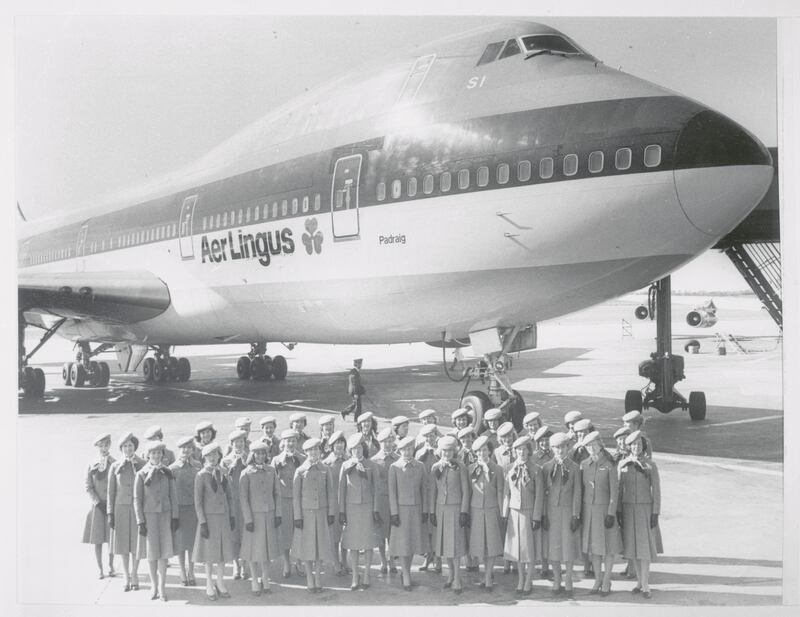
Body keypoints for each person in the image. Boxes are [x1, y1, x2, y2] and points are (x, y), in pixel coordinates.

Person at [618, 430, 662, 599]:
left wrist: (655, 512)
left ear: (643, 446)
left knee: (644, 549)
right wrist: (619, 511)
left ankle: (645, 585)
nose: (636, 447)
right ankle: (638, 582)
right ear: (629, 447)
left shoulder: (650, 465)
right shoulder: (623, 464)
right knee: (633, 548)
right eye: (633, 445)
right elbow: (619, 489)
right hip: (628, 509)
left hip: (644, 509)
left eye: (639, 444)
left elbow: (656, 491)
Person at [579, 431, 623, 596]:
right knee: (594, 549)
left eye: (594, 445)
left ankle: (606, 580)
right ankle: (598, 579)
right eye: (588, 446)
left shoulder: (609, 465)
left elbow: (614, 492)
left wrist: (611, 513)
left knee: (609, 548)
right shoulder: (584, 464)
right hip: (589, 512)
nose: (591, 448)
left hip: (605, 513)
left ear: (600, 445)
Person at [134, 441, 179, 601]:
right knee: (152, 554)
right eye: (153, 453)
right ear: (147, 455)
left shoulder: (167, 472)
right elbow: (137, 499)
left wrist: (175, 517)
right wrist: (140, 521)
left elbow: (173, 496)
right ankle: (154, 585)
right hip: (149, 518)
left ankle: (162, 586)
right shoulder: (141, 474)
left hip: (165, 516)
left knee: (164, 553)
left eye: (159, 453)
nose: (156, 455)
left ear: (163, 455)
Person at [502, 434, 544, 595]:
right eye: (518, 449)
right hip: (514, 512)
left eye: (524, 449)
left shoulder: (536, 470)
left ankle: (528, 580)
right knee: (517, 550)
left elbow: (540, 495)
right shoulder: (509, 468)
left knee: (529, 549)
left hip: (529, 512)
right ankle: (520, 579)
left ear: (529, 451)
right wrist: (504, 513)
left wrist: (536, 516)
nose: (521, 452)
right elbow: (506, 493)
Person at [293, 437, 336, 593]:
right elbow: (296, 496)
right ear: (305, 452)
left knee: (320, 547)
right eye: (310, 450)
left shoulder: (325, 469)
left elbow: (331, 493)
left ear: (320, 451)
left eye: (316, 449)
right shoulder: (300, 471)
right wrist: (297, 516)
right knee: (307, 547)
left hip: (322, 513)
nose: (313, 453)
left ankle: (318, 577)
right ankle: (309, 578)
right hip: (306, 515)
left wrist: (331, 512)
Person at [193, 443, 235, 601]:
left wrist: (231, 516)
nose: (212, 458)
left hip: (223, 518)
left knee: (222, 553)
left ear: (219, 456)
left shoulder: (224, 472)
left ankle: (220, 582)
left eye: (215, 455)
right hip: (209, 519)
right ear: (204, 458)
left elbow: (229, 496)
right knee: (209, 554)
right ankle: (209, 584)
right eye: (209, 456)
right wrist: (202, 522)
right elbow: (198, 501)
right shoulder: (201, 475)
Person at [542, 432, 582, 598]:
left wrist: (575, 515)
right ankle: (557, 579)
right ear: (552, 449)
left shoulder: (574, 467)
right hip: (551, 511)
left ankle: (569, 579)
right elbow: (542, 493)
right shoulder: (546, 468)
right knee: (554, 547)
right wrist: (543, 514)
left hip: (567, 511)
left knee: (567, 546)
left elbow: (577, 492)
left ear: (568, 447)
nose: (560, 450)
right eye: (556, 447)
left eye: (563, 447)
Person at [239, 441, 281, 596]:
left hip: (269, 514)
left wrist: (278, 514)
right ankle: (254, 580)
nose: (261, 456)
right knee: (253, 550)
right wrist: (248, 518)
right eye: (257, 453)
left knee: (266, 549)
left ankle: (265, 578)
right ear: (252, 455)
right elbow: (243, 498)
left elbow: (277, 493)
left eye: (263, 453)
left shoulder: (271, 470)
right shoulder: (246, 473)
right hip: (254, 517)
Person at [429, 435, 470, 594]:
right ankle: (450, 575)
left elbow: (466, 491)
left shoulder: (461, 467)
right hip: (441, 510)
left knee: (456, 545)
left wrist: (464, 511)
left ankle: (458, 578)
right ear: (440, 451)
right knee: (445, 544)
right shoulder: (435, 467)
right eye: (444, 451)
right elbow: (432, 491)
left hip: (456, 509)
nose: (447, 454)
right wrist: (432, 511)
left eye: (450, 451)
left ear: (455, 451)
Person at [388, 435, 428, 591]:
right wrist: (394, 513)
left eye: (410, 449)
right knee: (403, 544)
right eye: (404, 449)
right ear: (400, 450)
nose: (407, 452)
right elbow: (392, 492)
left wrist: (425, 510)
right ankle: (405, 575)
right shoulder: (394, 467)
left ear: (413, 449)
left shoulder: (420, 466)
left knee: (411, 543)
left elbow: (424, 489)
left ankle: (407, 573)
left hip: (416, 510)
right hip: (401, 511)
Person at [339, 433, 379, 590]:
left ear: (364, 448)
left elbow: (376, 489)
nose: (357, 451)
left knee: (368, 542)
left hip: (368, 507)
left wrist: (375, 509)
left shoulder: (372, 465)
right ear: (350, 450)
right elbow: (341, 490)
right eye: (354, 448)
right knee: (353, 543)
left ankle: (367, 574)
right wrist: (342, 511)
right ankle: (355, 575)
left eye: (360, 447)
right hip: (351, 508)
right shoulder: (345, 466)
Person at [108, 432, 144, 592]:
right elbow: (110, 491)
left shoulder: (142, 463)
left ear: (135, 447)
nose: (128, 448)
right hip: (120, 508)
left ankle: (135, 574)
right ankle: (126, 576)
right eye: (125, 446)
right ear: (121, 448)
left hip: (137, 509)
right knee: (122, 544)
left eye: (130, 445)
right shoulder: (115, 466)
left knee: (136, 543)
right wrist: (110, 513)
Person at [468, 435, 504, 590]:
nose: (482, 454)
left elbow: (501, 492)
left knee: (492, 544)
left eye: (484, 450)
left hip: (491, 510)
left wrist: (502, 513)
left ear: (489, 451)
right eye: (478, 451)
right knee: (480, 545)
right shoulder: (471, 469)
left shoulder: (497, 469)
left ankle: (488, 576)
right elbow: (468, 491)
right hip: (476, 510)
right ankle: (486, 572)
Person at [273, 429, 306, 578]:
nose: (291, 443)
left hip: (299, 500)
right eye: (288, 440)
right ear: (283, 442)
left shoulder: (303, 458)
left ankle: (298, 561)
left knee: (299, 531)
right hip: (284, 500)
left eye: (293, 440)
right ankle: (287, 562)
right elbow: (273, 482)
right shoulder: (277, 460)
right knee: (286, 532)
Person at [83, 432, 116, 580]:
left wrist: (111, 503)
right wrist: (97, 502)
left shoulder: (114, 463)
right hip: (97, 507)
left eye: (106, 445)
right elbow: (88, 486)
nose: (103, 448)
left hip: (110, 506)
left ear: (110, 445)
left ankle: (110, 566)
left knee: (111, 539)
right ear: (97, 447)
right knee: (97, 539)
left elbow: (117, 485)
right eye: (101, 445)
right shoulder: (92, 463)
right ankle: (99, 568)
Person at [170, 435, 201, 586]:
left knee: (192, 543)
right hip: (180, 510)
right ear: (179, 449)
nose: (186, 450)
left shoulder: (198, 466)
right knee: (181, 544)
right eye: (184, 448)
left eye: (189, 447)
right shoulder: (173, 469)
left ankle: (192, 571)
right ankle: (182, 571)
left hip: (194, 509)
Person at [222, 429, 249, 580]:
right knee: (233, 534)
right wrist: (231, 466)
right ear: (231, 444)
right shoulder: (226, 460)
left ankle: (244, 564)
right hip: (232, 501)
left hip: (245, 501)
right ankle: (235, 565)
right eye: (236, 442)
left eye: (241, 442)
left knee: (245, 533)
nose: (239, 444)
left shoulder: (250, 458)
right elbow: (222, 481)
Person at [372, 426, 398, 574]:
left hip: (394, 500)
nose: (388, 444)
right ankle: (383, 560)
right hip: (381, 500)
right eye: (385, 442)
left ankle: (392, 559)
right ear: (380, 443)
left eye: (390, 441)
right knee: (381, 532)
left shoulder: (398, 458)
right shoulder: (374, 460)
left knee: (393, 532)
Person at [322, 430, 349, 576]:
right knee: (334, 535)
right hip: (333, 503)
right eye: (336, 443)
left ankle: (345, 560)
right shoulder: (326, 463)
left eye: (342, 442)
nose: (339, 445)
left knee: (346, 534)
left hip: (348, 502)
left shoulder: (349, 460)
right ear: (331, 446)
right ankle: (335, 562)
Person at [415, 423, 440, 572]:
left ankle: (438, 558)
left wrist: (436, 452)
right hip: (424, 492)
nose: (429, 439)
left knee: (436, 525)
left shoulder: (440, 450)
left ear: (436, 436)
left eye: (432, 435)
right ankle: (428, 556)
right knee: (426, 527)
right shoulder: (419, 451)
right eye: (427, 436)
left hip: (437, 492)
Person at [531, 426, 553, 579]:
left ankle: (554, 564)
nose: (545, 443)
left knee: (553, 533)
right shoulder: (533, 457)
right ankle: (544, 565)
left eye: (547, 440)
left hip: (553, 500)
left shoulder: (555, 454)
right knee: (542, 535)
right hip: (538, 500)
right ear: (537, 443)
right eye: (542, 441)